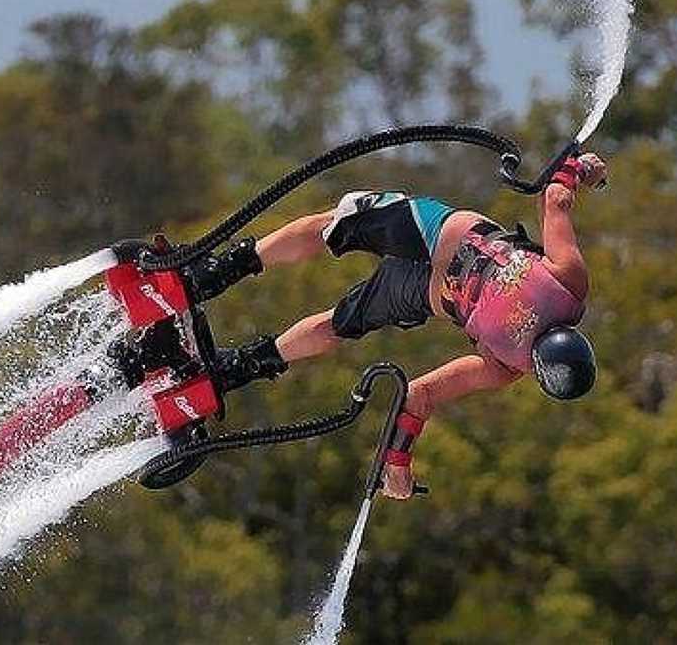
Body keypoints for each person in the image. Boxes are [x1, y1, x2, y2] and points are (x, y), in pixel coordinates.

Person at [183, 153, 607, 500]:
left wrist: (579, 169)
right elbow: (420, 394)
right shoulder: (505, 367)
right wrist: (398, 462)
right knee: (339, 319)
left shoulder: (569, 283)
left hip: (440, 238)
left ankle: (217, 287)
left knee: (334, 226)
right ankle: (234, 365)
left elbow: (554, 200)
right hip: (428, 280)